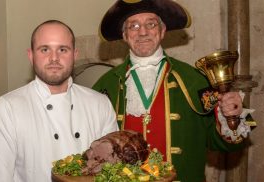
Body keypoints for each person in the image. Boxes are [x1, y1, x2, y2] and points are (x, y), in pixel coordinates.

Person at [93, 0, 254, 181]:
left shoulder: (193, 79)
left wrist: (231, 115)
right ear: (124, 35)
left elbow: (224, 143)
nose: (143, 32)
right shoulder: (106, 85)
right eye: (134, 26)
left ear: (162, 31)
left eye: (151, 24)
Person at [0, 20, 118, 182]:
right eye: (44, 49)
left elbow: (113, 173)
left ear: (75, 55)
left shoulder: (100, 104)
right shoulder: (7, 108)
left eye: (62, 49)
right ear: (31, 56)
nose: (54, 58)